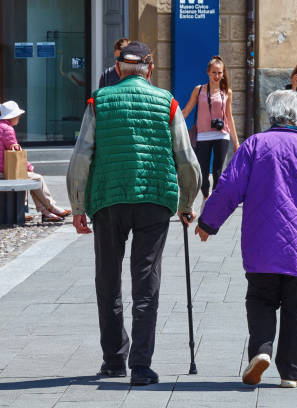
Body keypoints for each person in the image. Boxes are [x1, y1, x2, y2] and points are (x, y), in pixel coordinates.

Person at [66, 41, 201, 386]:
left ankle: (114, 360)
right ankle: (141, 365)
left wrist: (78, 206)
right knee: (146, 281)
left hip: (108, 199)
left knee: (107, 280)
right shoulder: (167, 101)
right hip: (155, 200)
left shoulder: (100, 101)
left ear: (119, 70)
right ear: (149, 68)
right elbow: (186, 159)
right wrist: (187, 203)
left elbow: (81, 157)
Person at [195, 90, 297, 388]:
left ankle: (262, 351)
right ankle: (291, 373)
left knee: (261, 301)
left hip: (262, 247)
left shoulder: (255, 145)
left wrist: (208, 223)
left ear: (271, 116)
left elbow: (228, 188)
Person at [0, 100, 71, 222]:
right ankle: (51, 207)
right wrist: (28, 166)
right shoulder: (7, 129)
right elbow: (16, 152)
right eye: (18, 116)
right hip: (3, 171)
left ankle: (46, 212)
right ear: (13, 116)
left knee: (33, 179)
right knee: (37, 178)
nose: (19, 118)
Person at [182, 56, 239, 208]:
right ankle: (206, 195)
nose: (217, 76)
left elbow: (229, 117)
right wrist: (173, 122)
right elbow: (187, 110)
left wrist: (236, 142)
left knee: (218, 170)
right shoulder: (199, 90)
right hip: (203, 135)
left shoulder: (227, 92)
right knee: (203, 170)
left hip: (222, 134)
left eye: (220, 73)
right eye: (214, 72)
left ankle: (212, 202)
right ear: (208, 72)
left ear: (223, 73)